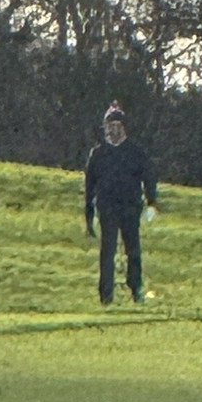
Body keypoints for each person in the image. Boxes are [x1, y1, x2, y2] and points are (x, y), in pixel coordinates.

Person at [84, 100, 158, 305]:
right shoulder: (98, 154)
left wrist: (152, 202)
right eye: (110, 127)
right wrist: (89, 214)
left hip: (130, 208)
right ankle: (106, 296)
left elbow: (149, 176)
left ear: (124, 128)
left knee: (133, 251)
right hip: (107, 209)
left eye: (117, 126)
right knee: (107, 253)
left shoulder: (135, 152)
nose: (113, 131)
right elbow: (89, 186)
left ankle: (136, 290)